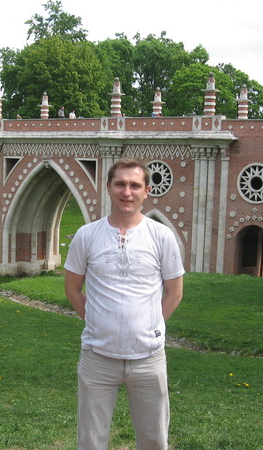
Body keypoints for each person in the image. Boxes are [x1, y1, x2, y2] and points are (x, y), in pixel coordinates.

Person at [64, 157, 184, 450]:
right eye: (120, 184)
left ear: (146, 191)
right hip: (97, 357)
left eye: (134, 185)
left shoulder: (161, 236)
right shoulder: (87, 235)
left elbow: (174, 292)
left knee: (154, 439)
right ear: (108, 187)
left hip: (148, 358)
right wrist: (96, 320)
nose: (127, 192)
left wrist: (151, 327)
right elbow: (72, 288)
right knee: (90, 441)